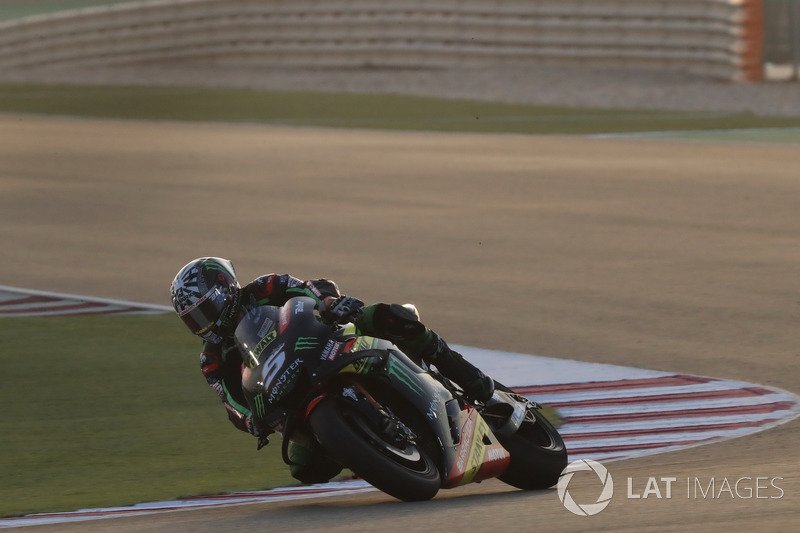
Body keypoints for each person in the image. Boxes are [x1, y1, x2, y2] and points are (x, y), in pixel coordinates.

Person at [170, 256, 494, 483]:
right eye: (194, 320)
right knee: (302, 467)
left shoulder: (262, 288)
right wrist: (250, 420)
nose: (205, 324)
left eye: (205, 311)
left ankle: (471, 379)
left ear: (224, 288)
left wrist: (329, 301)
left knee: (389, 316)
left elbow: (309, 287)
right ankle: (369, 448)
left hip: (330, 339)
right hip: (291, 394)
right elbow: (230, 401)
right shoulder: (212, 358)